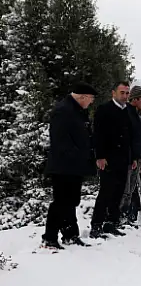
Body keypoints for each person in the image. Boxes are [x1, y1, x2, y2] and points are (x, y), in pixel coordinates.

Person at [41, 82, 98, 249]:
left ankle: (70, 235)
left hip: (74, 166)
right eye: (91, 98)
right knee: (61, 202)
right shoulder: (63, 110)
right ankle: (49, 237)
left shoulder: (78, 111)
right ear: (82, 97)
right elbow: (60, 141)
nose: (91, 102)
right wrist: (78, 156)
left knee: (71, 201)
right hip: (63, 165)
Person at [89, 81, 133, 238]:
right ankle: (96, 225)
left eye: (127, 93)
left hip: (123, 159)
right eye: (122, 92)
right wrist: (100, 156)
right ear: (113, 93)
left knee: (119, 192)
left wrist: (133, 157)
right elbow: (98, 134)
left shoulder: (128, 111)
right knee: (106, 192)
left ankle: (111, 223)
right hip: (108, 159)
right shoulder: (104, 110)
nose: (125, 96)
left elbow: (130, 136)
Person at [120, 85, 141, 226]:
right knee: (124, 192)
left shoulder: (136, 115)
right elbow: (126, 140)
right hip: (127, 161)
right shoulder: (127, 114)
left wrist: (140, 158)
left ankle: (123, 220)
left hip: (135, 160)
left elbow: (137, 140)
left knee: (129, 193)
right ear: (135, 99)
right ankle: (116, 220)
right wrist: (132, 158)